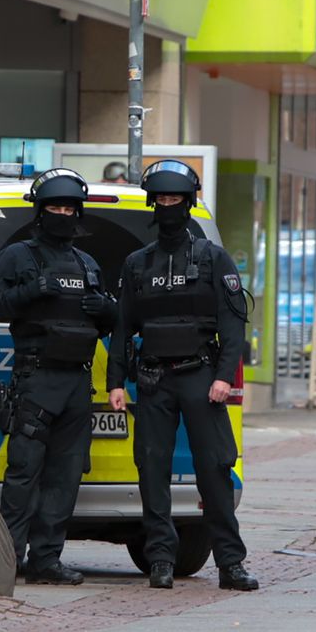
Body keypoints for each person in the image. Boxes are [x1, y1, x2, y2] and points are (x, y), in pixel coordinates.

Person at [108, 160, 258, 592]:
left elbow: (234, 324)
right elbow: (123, 327)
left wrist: (224, 376)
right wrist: (117, 381)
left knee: (214, 469)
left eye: (175, 199)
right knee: (151, 470)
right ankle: (160, 559)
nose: (167, 206)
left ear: (188, 203)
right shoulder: (137, 263)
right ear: (153, 204)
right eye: (161, 199)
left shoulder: (213, 258)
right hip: (154, 378)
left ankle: (230, 563)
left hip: (201, 377)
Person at [0, 168, 117, 585]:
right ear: (40, 211)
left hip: (77, 382)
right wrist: (29, 292)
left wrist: (106, 311)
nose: (63, 214)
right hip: (37, 379)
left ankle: (46, 560)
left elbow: (109, 319)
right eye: (55, 207)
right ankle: (9, 558)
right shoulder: (20, 256)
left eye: (70, 208)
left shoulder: (87, 263)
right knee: (23, 474)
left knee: (66, 477)